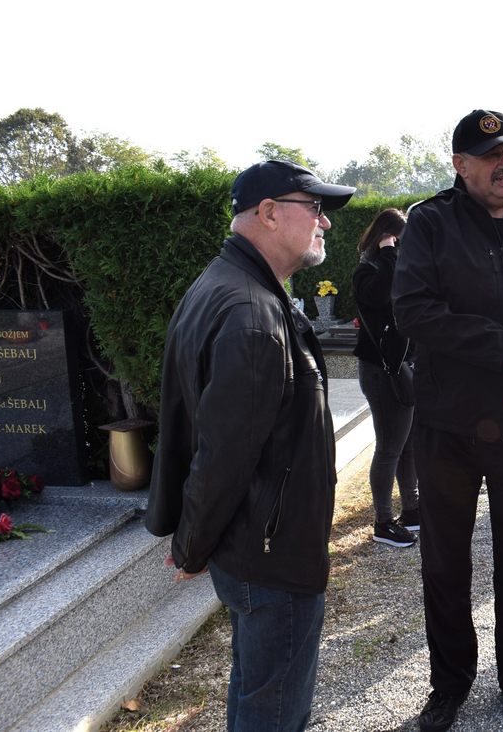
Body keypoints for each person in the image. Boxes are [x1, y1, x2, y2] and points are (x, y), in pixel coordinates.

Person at [146, 159, 355, 731]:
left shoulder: (229, 284)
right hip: (271, 554)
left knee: (257, 690)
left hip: (256, 544)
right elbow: (222, 453)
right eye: (315, 208)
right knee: (273, 709)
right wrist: (191, 546)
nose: (325, 223)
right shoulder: (250, 313)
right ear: (268, 213)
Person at [392, 109, 503, 732]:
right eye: (491, 155)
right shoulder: (430, 222)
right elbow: (413, 311)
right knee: (446, 563)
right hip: (448, 426)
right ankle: (449, 686)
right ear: (460, 165)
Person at [353, 207, 420, 547]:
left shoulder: (394, 267)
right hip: (381, 371)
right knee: (389, 448)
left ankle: (412, 509)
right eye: (400, 241)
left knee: (408, 444)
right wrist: (389, 253)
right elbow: (379, 296)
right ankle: (383, 522)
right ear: (387, 238)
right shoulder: (367, 271)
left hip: (401, 367)